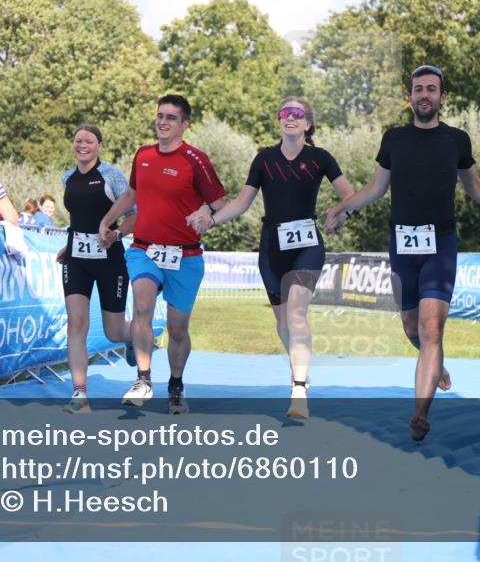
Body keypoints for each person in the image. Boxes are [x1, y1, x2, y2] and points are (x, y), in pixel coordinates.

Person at [324, 65, 480, 441]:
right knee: (411, 328)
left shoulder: (457, 140)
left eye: (431, 89)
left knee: (430, 328)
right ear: (409, 97)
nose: (424, 95)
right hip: (402, 245)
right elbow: (375, 187)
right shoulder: (393, 139)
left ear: (442, 97)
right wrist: (343, 208)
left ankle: (420, 413)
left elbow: (476, 187)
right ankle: (435, 365)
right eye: (418, 89)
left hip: (441, 244)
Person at [189, 97, 353, 418]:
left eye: (297, 114)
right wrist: (211, 217)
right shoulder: (264, 161)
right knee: (282, 322)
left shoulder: (320, 158)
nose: (289, 118)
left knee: (296, 313)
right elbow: (241, 202)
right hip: (271, 248)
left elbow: (349, 195)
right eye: (284, 113)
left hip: (306, 244)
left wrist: (342, 213)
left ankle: (299, 389)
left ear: (307, 124)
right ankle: (299, 369)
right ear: (279, 121)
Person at [99, 95, 226, 415]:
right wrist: (107, 221)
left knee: (178, 328)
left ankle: (176, 385)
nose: (162, 122)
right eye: (159, 116)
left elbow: (219, 203)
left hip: (186, 256)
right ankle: (143, 379)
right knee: (142, 306)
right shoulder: (143, 155)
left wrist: (204, 212)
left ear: (184, 124)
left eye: (170, 117)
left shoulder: (196, 160)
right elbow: (131, 195)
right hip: (145, 250)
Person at [56, 124, 136, 414]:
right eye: (78, 140)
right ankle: (80, 396)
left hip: (109, 258)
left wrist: (116, 234)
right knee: (76, 324)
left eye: (89, 140)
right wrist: (71, 243)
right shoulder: (67, 177)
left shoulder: (111, 176)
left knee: (113, 331)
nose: (82, 145)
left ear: (99, 144)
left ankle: (134, 336)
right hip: (76, 259)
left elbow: (134, 217)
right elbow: (80, 218)